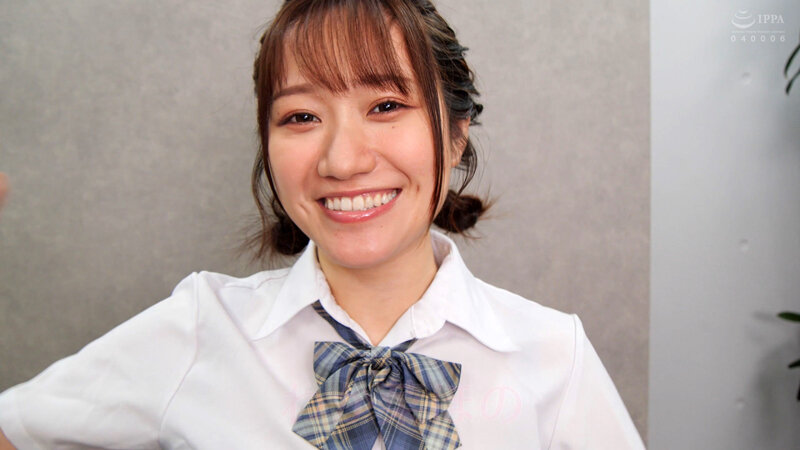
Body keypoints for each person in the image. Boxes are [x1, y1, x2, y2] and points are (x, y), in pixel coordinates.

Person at [0, 0, 645, 448]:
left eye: (386, 105)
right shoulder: (203, 327)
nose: (342, 160)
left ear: (455, 135)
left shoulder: (553, 355)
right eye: (301, 117)